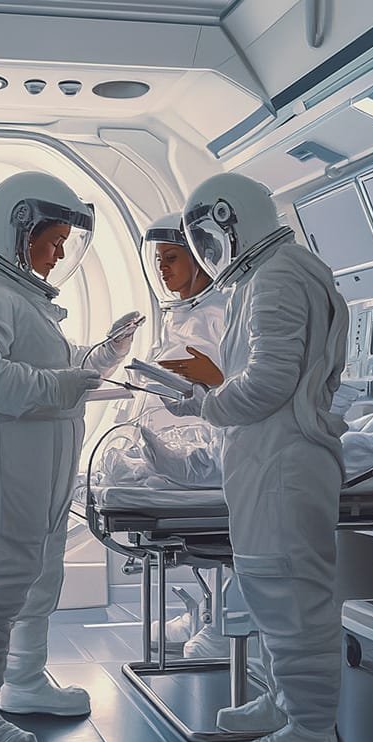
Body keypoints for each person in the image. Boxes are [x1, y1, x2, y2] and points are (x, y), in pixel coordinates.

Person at [0, 171, 140, 742]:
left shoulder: (19, 298)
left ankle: (23, 681)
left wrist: (103, 356)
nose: (54, 259)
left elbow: (55, 364)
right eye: (51, 244)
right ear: (18, 230)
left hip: (37, 477)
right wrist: (66, 382)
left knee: (37, 582)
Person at [163, 173, 349, 742]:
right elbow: (269, 372)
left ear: (229, 218)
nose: (207, 255)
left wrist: (201, 404)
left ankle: (311, 734)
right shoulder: (272, 274)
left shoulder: (276, 277)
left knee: (294, 599)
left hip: (284, 465)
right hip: (271, 463)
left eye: (207, 239)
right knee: (274, 594)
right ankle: (284, 705)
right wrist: (209, 391)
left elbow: (268, 384)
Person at [137, 213, 230, 658]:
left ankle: (222, 624)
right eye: (158, 260)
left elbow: (232, 379)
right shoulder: (182, 315)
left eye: (171, 258)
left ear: (202, 256)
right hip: (192, 429)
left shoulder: (222, 312)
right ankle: (211, 611)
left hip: (221, 431)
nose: (162, 269)